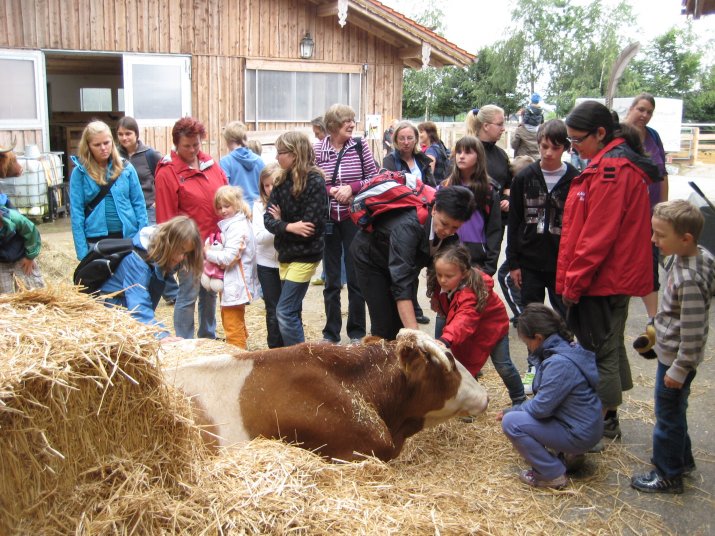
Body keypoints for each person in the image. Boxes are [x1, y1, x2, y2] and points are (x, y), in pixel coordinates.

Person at [560, 100, 660, 441]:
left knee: (597, 352)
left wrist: (573, 284)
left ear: (600, 133)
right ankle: (609, 415)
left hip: (602, 280)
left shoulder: (611, 171)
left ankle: (597, 426)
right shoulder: (613, 164)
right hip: (611, 277)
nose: (573, 147)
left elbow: (597, 237)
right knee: (611, 343)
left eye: (577, 140)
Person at [631, 200, 714, 494]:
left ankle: (668, 474)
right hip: (671, 354)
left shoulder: (690, 280)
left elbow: (692, 333)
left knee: (667, 417)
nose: (654, 239)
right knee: (675, 411)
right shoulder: (690, 255)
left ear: (686, 238)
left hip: (677, 362)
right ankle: (682, 461)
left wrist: (679, 369)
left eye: (660, 235)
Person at [351, 185, 476, 340]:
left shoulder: (450, 235)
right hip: (371, 259)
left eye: (455, 227)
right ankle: (380, 351)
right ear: (434, 209)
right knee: (385, 324)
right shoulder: (409, 227)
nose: (447, 231)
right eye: (444, 224)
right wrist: (416, 336)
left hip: (402, 260)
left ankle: (398, 347)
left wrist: (435, 294)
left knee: (400, 324)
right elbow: (401, 283)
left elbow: (440, 265)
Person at [499, 303, 603, 489]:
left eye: (527, 343)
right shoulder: (566, 348)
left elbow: (541, 408)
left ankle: (551, 474)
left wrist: (513, 410)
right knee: (524, 415)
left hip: (579, 432)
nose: (529, 348)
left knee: (512, 423)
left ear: (538, 338)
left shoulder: (558, 363)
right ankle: (568, 455)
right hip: (585, 426)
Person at [155, 117, 228, 340]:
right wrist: (174, 251)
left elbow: (225, 192)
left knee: (210, 292)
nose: (193, 150)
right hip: (189, 247)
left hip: (213, 242)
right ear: (176, 144)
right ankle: (184, 341)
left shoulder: (209, 164)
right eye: (187, 146)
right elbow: (166, 217)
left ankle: (207, 336)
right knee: (188, 295)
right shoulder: (168, 172)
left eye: (196, 144)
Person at [427, 244, 526, 405]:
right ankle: (472, 402)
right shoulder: (443, 284)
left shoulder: (472, 291)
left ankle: (519, 399)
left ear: (464, 273)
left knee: (503, 366)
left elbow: (464, 318)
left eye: (448, 276)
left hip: (492, 329)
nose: (442, 280)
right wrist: (436, 300)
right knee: (465, 365)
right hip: (467, 331)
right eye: (439, 274)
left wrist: (446, 339)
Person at [314, 104, 377, 343]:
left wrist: (352, 188)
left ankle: (357, 332)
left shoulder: (360, 146)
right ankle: (331, 333)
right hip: (329, 219)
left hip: (354, 218)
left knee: (355, 277)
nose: (351, 124)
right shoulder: (317, 149)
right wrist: (332, 190)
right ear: (332, 125)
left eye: (352, 120)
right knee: (331, 280)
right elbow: (312, 179)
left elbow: (374, 177)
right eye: (346, 121)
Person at [507, 119, 578, 319]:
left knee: (566, 317)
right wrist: (513, 263)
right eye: (544, 146)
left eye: (555, 148)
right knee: (533, 317)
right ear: (538, 143)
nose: (548, 153)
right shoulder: (524, 177)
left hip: (561, 262)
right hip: (529, 261)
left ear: (565, 147)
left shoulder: (575, 179)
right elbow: (514, 221)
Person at [264, 131, 328, 346]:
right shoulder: (281, 180)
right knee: (292, 311)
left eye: (280, 152)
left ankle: (301, 359)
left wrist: (281, 223)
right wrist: (290, 226)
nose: (277, 157)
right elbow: (268, 220)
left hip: (306, 255)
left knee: (284, 311)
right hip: (285, 254)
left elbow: (311, 227)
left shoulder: (315, 181)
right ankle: (293, 356)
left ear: (294, 154)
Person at [98, 216, 202, 341]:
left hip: (127, 306)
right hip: (113, 308)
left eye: (186, 253)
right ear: (169, 242)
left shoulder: (160, 253)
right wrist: (160, 335)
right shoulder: (139, 262)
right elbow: (137, 306)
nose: (181, 258)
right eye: (181, 250)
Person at [466, 105, 522, 324]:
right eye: (500, 124)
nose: (503, 128)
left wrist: (506, 197)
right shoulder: (469, 150)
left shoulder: (500, 155)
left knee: (487, 270)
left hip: (494, 224)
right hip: (470, 224)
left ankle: (477, 316)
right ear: (486, 126)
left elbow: (508, 182)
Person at [624, 93, 670, 355]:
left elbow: (662, 174)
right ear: (631, 108)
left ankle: (653, 324)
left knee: (651, 264)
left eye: (649, 112)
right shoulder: (618, 136)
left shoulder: (653, 137)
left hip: (651, 214)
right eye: (641, 109)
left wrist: (663, 209)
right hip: (627, 216)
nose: (644, 115)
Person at [116, 115, 178, 304]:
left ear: (136, 134)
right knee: (134, 252)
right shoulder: (115, 156)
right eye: (120, 134)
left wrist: (160, 200)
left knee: (154, 251)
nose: (124, 138)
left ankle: (171, 293)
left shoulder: (149, 155)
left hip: (149, 209)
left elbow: (165, 174)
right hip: (127, 211)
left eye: (128, 133)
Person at [69, 120, 148, 261]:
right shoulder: (79, 173)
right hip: (95, 241)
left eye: (106, 143)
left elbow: (139, 205)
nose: (103, 148)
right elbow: (77, 213)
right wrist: (82, 253)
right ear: (88, 146)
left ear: (112, 141)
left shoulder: (126, 168)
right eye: (97, 145)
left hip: (127, 238)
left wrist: (142, 240)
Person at [383, 121, 436, 324]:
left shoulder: (422, 160)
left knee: (416, 263)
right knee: (405, 265)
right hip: (403, 217)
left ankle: (414, 306)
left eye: (410, 138)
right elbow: (390, 188)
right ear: (396, 140)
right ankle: (409, 308)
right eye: (402, 138)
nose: (406, 142)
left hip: (424, 216)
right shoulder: (390, 161)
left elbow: (431, 186)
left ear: (416, 139)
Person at [205, 185, 258, 349]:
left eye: (226, 206)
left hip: (236, 282)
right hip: (232, 280)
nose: (223, 210)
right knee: (232, 317)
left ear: (236, 204)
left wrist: (207, 253)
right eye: (219, 207)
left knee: (232, 321)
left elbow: (229, 257)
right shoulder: (232, 224)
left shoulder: (237, 227)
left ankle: (238, 352)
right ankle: (241, 345)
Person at [253, 164, 284, 348]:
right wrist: (281, 226)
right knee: (272, 309)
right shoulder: (258, 206)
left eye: (274, 184)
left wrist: (279, 226)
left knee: (289, 309)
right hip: (266, 263)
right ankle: (274, 349)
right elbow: (259, 237)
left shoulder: (289, 202)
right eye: (266, 185)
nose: (270, 189)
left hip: (287, 262)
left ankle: (291, 348)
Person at [219, 121, 265, 207]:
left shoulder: (225, 162)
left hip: (237, 209)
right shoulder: (259, 161)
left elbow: (225, 190)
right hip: (258, 208)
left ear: (228, 139)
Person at [0, 205, 45, 294]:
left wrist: (30, 257)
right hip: (1, 261)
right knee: (5, 294)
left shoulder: (15, 218)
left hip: (21, 256)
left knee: (33, 289)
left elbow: (32, 233)